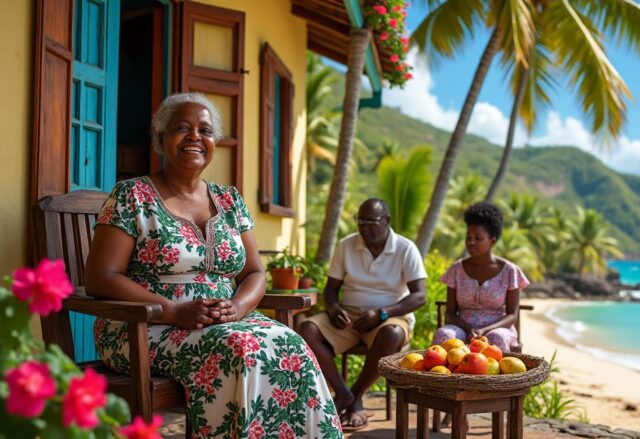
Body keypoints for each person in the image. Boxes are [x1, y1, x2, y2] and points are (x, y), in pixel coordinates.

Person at [84, 93, 342, 438]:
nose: (195, 137)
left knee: (291, 344)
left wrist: (237, 307)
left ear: (214, 143)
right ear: (161, 139)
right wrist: (173, 311)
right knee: (240, 350)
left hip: (225, 322)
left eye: (205, 130)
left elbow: (254, 272)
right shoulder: (132, 196)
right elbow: (101, 277)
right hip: (143, 325)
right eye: (182, 128)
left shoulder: (230, 199)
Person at [298, 199, 427, 431]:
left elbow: (419, 296)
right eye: (361, 221)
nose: (364, 227)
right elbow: (330, 290)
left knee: (393, 334)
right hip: (348, 317)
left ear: (387, 221)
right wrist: (333, 309)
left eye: (371, 222)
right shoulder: (346, 245)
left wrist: (383, 313)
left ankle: (353, 397)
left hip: (388, 316)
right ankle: (343, 394)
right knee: (307, 329)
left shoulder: (405, 248)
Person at [432, 201, 530, 353]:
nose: (471, 242)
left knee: (496, 338)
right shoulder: (456, 269)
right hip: (462, 327)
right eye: (468, 237)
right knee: (444, 334)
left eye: (478, 238)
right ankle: (442, 376)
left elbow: (512, 315)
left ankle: (497, 378)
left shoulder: (509, 271)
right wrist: (469, 329)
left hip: (498, 328)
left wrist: (484, 330)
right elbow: (450, 314)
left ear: (492, 241)